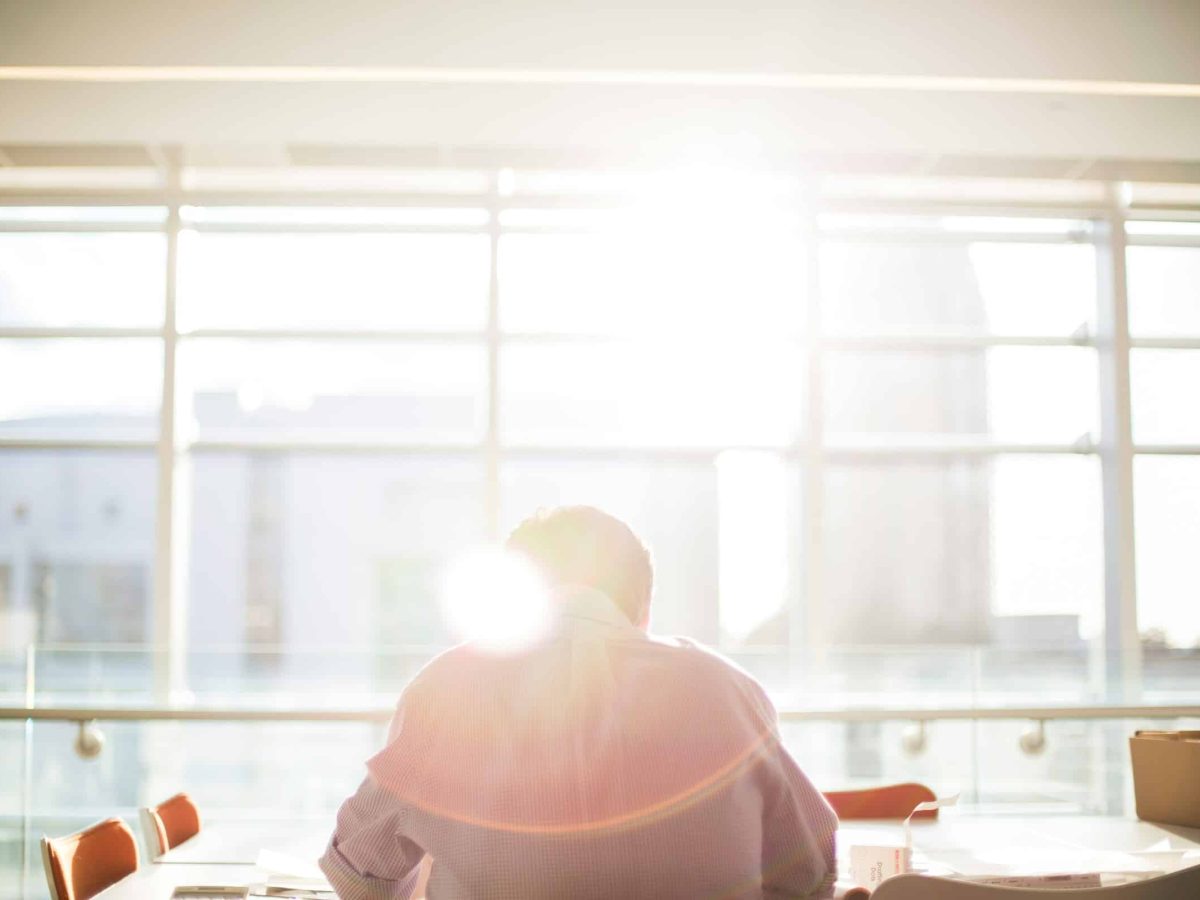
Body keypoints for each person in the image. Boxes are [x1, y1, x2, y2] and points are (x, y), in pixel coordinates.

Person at [320, 505, 837, 899]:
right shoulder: (728, 689)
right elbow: (810, 871)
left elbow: (359, 875)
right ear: (643, 607)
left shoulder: (448, 687)